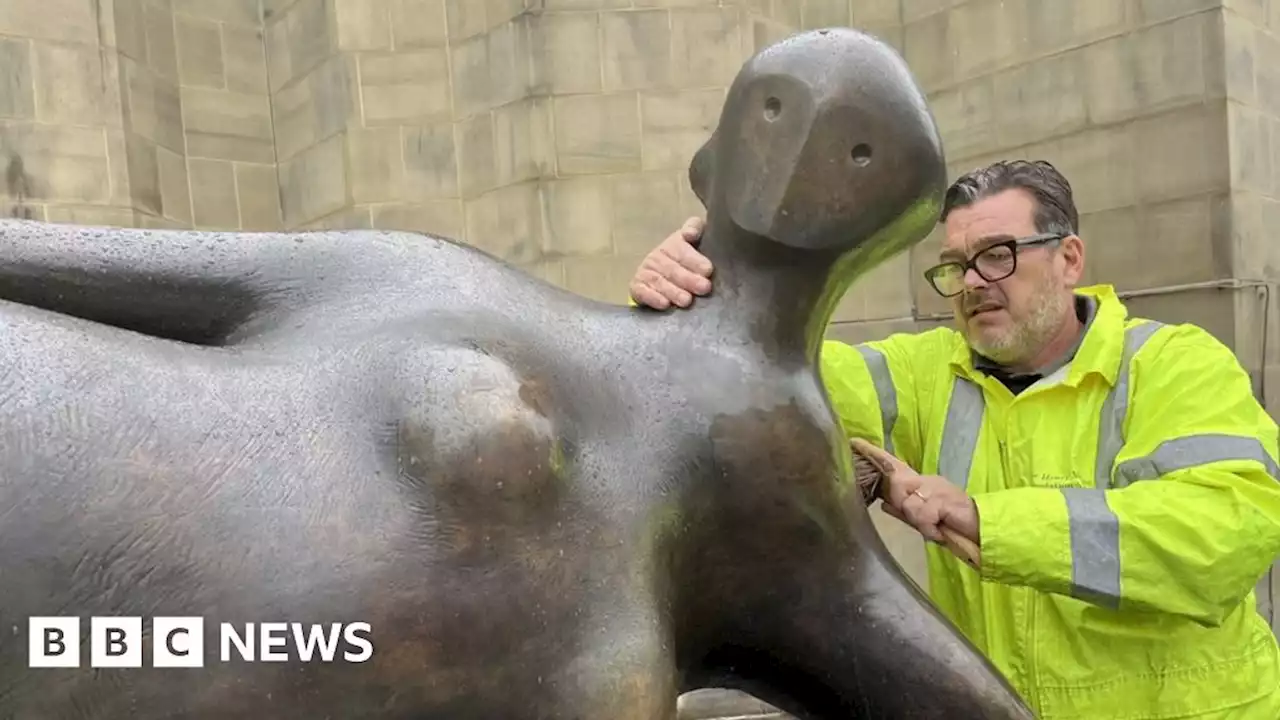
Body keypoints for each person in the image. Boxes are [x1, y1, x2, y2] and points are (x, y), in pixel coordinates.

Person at [628, 159, 1280, 719]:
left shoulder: (1172, 366)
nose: (971, 283)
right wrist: (705, 289)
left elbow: (1225, 535)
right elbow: (763, 377)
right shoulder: (928, 372)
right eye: (955, 266)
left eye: (998, 254)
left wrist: (986, 521)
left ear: (1069, 259)